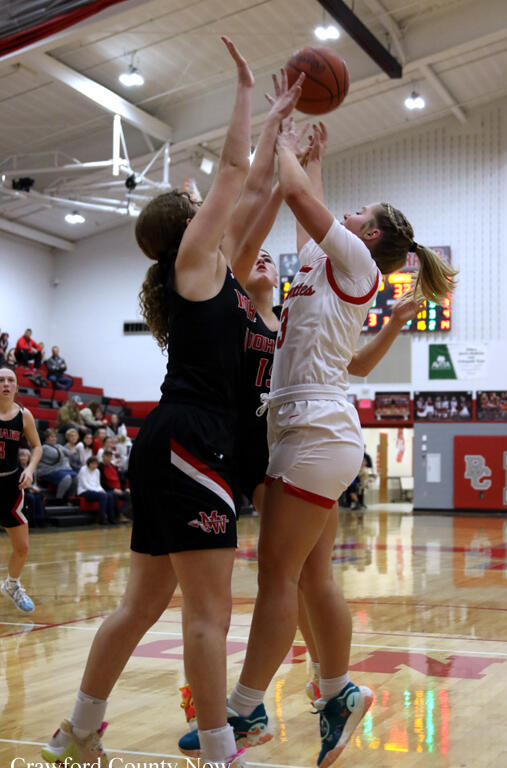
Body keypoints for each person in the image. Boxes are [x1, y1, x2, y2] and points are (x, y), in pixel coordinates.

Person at [41, 37, 301, 768]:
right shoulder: (193, 263)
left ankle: (76, 732)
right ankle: (218, 751)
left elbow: (254, 190)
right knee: (208, 612)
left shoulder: (218, 273)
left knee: (142, 605)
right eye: (196, 205)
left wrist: (279, 125)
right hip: (192, 443)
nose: (210, 205)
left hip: (180, 441)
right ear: (188, 226)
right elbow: (233, 175)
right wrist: (247, 95)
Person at [223, 118, 458, 767]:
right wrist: (314, 157)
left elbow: (301, 201)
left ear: (369, 235)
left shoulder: (354, 261)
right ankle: (337, 694)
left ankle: (244, 709)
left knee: (277, 577)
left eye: (358, 213)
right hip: (307, 426)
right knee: (310, 577)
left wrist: (281, 140)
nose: (346, 214)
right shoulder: (324, 264)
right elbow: (309, 217)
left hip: (315, 429)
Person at [0, 366, 42, 612]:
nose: (6, 384)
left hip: (11, 485)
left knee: (22, 547)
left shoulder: (24, 415)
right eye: (1, 380)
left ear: (16, 386)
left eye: (10, 380)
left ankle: (12, 585)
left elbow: (37, 446)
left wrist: (30, 469)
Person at [36, 428, 78, 499]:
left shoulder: (58, 446)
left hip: (59, 469)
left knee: (75, 477)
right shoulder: (44, 448)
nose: (54, 439)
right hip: (47, 471)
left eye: (55, 437)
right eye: (52, 437)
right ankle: (59, 498)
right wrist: (64, 453)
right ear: (47, 438)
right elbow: (56, 455)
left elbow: (70, 453)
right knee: (67, 478)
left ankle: (71, 498)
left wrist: (65, 452)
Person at [77, 456, 116, 525]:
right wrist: (98, 491)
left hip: (95, 491)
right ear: (89, 463)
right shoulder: (83, 469)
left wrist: (102, 490)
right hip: (84, 491)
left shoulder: (97, 471)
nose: (94, 466)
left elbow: (98, 484)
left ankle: (111, 518)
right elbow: (85, 485)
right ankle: (102, 519)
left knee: (110, 495)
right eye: (93, 464)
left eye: (96, 464)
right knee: (103, 496)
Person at [18, 448, 47, 527]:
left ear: (28, 457)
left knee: (39, 496)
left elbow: (34, 482)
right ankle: (31, 520)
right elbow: (19, 482)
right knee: (31, 498)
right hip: (21, 490)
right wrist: (30, 488)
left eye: (25, 456)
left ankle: (41, 519)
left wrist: (35, 488)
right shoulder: (17, 469)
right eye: (21, 456)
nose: (23, 458)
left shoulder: (31, 468)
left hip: (30, 489)